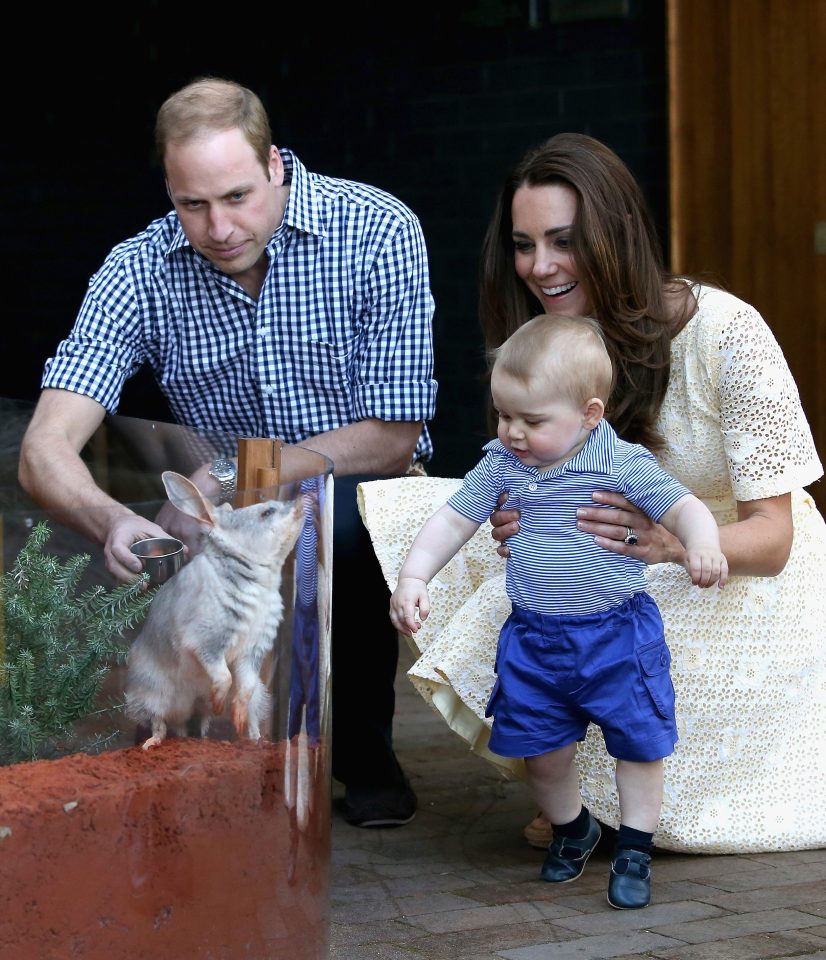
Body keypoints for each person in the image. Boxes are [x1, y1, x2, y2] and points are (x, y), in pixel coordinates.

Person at [357, 131, 826, 860]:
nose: (539, 266)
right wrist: (517, 517)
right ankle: (567, 790)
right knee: (439, 530)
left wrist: (671, 544)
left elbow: (776, 536)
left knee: (604, 615)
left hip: (734, 569)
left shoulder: (727, 332)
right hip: (610, 547)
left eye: (562, 241)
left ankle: (613, 806)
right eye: (523, 243)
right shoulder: (543, 341)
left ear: (615, 235)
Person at [17, 76, 438, 828]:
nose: (217, 227)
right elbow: (44, 449)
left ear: (276, 164)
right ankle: (214, 762)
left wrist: (239, 472)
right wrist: (109, 518)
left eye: (238, 196)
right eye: (193, 204)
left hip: (363, 482)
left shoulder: (377, 227)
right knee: (184, 558)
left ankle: (359, 755)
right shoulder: (139, 268)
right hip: (226, 504)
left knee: (328, 531)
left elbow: (394, 432)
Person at [388, 313, 726, 908]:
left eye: (532, 420)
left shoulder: (618, 462)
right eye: (504, 414)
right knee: (540, 750)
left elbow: (684, 508)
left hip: (616, 635)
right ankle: (574, 829)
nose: (513, 432)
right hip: (535, 638)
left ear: (589, 414)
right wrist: (414, 575)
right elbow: (451, 520)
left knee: (638, 744)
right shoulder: (503, 465)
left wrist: (701, 544)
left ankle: (635, 848)